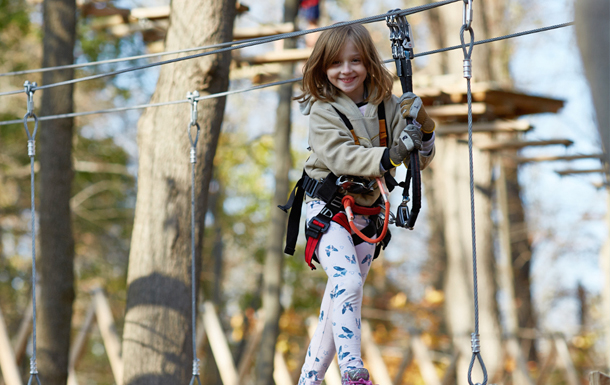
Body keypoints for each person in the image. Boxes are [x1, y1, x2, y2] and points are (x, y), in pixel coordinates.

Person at [288, 23, 436, 385]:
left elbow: (419, 158)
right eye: (336, 63)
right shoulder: (323, 112)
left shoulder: (388, 105)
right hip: (330, 212)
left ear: (369, 62)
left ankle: (310, 378)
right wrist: (390, 156)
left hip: (369, 217)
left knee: (339, 296)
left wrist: (425, 126)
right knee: (348, 283)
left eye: (355, 60)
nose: (347, 70)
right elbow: (343, 158)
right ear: (323, 67)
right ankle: (352, 369)